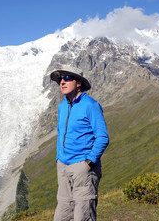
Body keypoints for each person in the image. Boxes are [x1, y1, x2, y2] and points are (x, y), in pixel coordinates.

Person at [50, 65, 109, 221]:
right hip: (63, 167)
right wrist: (59, 159)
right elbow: (61, 134)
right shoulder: (62, 106)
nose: (62, 82)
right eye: (60, 79)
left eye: (67, 78)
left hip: (83, 168)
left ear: (79, 83)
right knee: (61, 216)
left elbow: (102, 137)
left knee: (83, 216)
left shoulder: (91, 105)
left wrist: (88, 163)